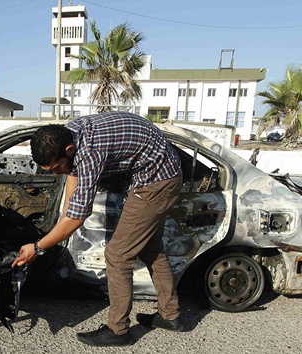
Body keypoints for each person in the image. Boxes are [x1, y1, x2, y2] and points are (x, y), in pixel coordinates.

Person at [12, 111, 183, 347]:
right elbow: (71, 183)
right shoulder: (69, 134)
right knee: (150, 248)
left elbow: (79, 216)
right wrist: (61, 221)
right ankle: (170, 315)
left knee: (118, 254)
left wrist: (38, 248)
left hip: (156, 182)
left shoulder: (90, 152)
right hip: (160, 172)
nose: (54, 173)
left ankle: (118, 330)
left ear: (69, 150)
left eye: (54, 168)